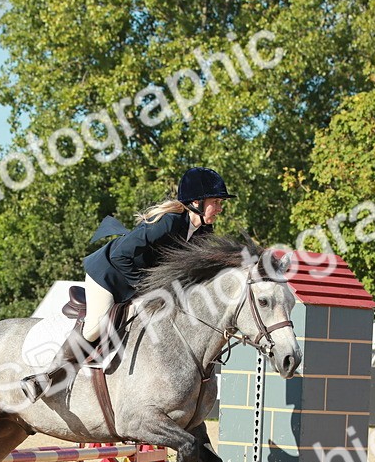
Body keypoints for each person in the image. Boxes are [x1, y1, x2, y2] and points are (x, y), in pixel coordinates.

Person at [20, 167, 234, 402]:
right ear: (197, 202)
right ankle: (45, 377)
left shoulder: (204, 231)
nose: (220, 208)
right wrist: (146, 289)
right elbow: (119, 255)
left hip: (139, 282)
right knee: (95, 326)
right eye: (216, 201)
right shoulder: (167, 222)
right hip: (108, 274)